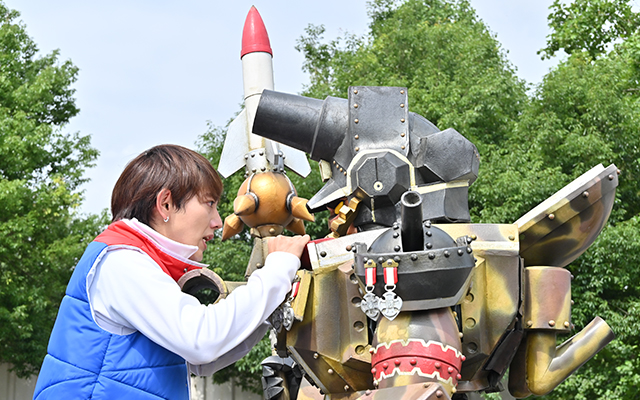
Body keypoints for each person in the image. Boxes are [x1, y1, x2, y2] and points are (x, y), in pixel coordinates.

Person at [33, 144, 310, 400]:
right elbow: (202, 340)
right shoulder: (121, 261)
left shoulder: (133, 262)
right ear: (165, 204)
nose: (217, 222)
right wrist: (278, 267)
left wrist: (267, 307)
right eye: (209, 203)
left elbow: (200, 361)